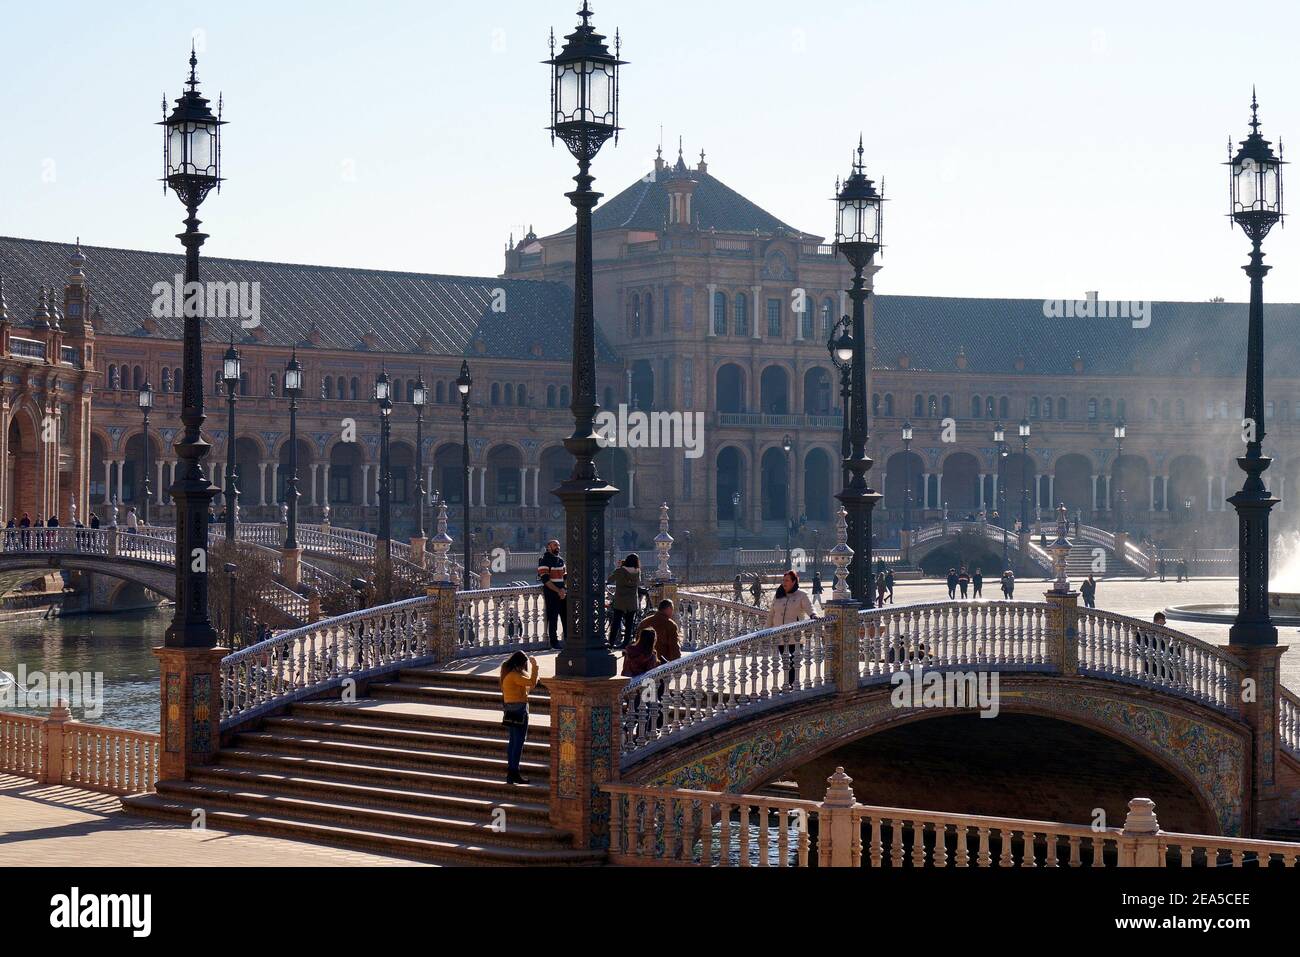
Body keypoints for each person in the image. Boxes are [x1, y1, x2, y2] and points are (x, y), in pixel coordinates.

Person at [768, 570, 815, 688]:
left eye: (787, 580)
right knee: (785, 662)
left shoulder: (802, 595)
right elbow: (771, 614)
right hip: (780, 635)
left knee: (794, 663)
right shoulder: (778, 595)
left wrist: (813, 615)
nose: (784, 583)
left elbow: (810, 608)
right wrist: (766, 631)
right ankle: (788, 685)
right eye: (783, 580)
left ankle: (792, 685)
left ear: (794, 582)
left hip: (796, 637)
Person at [499, 651, 540, 785]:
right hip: (519, 710)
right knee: (518, 743)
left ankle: (511, 773)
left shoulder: (509, 675)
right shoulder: (514, 676)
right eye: (524, 664)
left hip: (511, 711)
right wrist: (535, 666)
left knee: (513, 742)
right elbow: (532, 682)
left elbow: (529, 684)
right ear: (519, 664)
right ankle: (514, 772)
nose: (524, 667)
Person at [606, 554, 642, 648]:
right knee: (629, 624)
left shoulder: (621, 571)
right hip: (632, 601)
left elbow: (610, 579)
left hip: (620, 600)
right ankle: (626, 643)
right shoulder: (638, 572)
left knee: (616, 622)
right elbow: (638, 582)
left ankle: (611, 642)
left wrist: (620, 567)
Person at [537, 540, 567, 649]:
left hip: (562, 593)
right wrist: (558, 591)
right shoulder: (544, 560)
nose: (557, 547)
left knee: (566, 617)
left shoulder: (561, 560)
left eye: (558, 545)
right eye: (555, 545)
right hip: (551, 594)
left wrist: (563, 589)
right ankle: (554, 642)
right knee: (553, 618)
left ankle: (568, 640)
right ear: (548, 547)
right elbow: (545, 580)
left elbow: (565, 577)